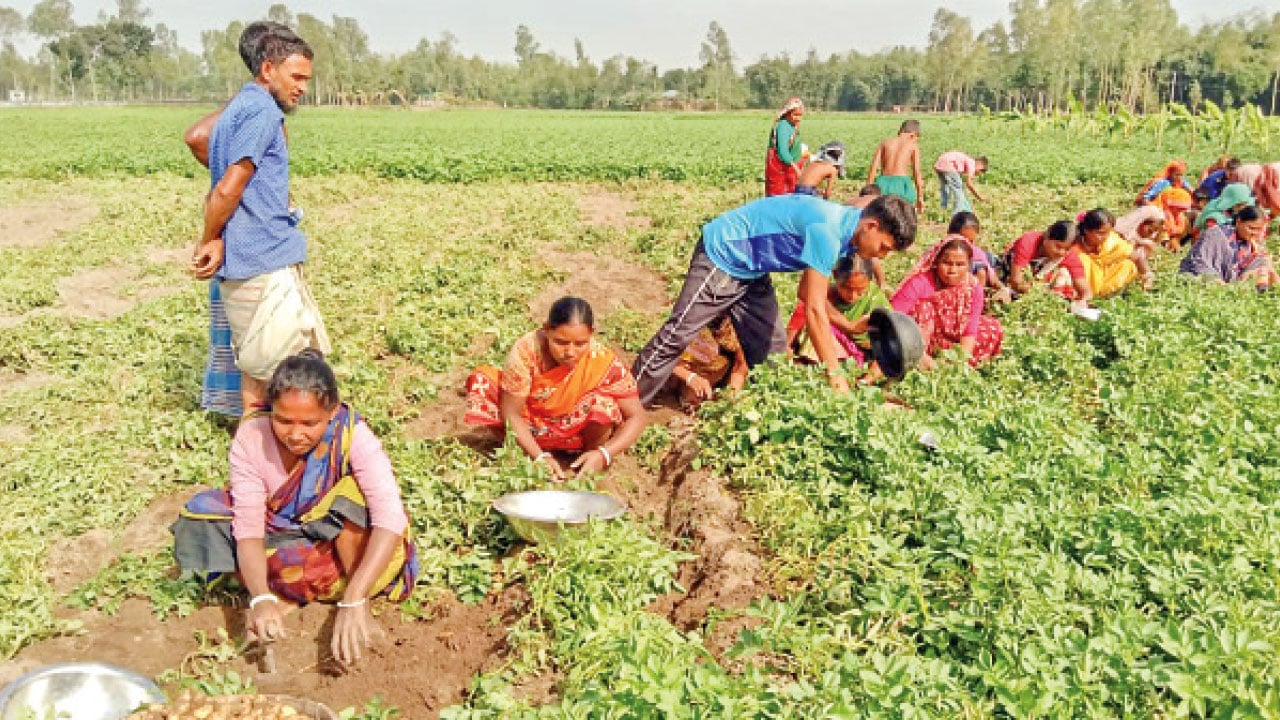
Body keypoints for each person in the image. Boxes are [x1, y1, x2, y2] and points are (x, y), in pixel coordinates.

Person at [172, 350, 419, 668]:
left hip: (342, 549)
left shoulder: (351, 434)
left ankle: (353, 597)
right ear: (269, 409)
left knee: (353, 495)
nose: (295, 434)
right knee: (207, 515)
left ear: (331, 414)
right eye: (283, 420)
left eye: (310, 423)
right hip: (288, 542)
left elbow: (389, 516)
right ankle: (280, 597)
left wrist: (356, 598)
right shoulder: (252, 436)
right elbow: (249, 527)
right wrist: (259, 597)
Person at [631, 194, 917, 403]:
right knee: (677, 337)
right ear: (871, 225)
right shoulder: (828, 231)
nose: (882, 256)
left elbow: (805, 293)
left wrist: (849, 326)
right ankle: (624, 403)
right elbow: (814, 309)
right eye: (884, 247)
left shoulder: (847, 233)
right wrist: (834, 373)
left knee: (773, 356)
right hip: (725, 255)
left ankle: (767, 417)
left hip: (754, 270)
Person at [192, 25, 331, 414]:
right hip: (265, 260)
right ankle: (266, 457)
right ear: (268, 69)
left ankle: (258, 455)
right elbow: (228, 189)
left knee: (262, 369)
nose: (302, 87)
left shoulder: (237, 108)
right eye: (297, 77)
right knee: (280, 372)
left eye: (307, 78)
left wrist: (219, 237)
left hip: (253, 258)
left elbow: (203, 148)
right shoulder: (262, 112)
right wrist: (208, 237)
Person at [184, 21, 288, 419]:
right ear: (267, 66)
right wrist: (245, 188)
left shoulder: (249, 107)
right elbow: (197, 138)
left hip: (240, 233)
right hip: (253, 239)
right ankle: (260, 424)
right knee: (264, 333)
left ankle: (248, 418)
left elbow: (199, 137)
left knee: (243, 326)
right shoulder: (257, 109)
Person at [464, 297, 647, 479]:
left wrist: (604, 454)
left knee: (604, 405)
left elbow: (636, 416)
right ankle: (525, 450)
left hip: (575, 432)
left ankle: (585, 461)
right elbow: (511, 413)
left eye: (580, 344)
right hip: (529, 425)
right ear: (546, 329)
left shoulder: (601, 359)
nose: (570, 352)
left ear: (592, 334)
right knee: (484, 382)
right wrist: (539, 456)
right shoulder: (526, 351)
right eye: (560, 342)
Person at [889, 235, 1004, 369]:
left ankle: (952, 365)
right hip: (918, 342)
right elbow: (892, 318)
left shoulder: (973, 287)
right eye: (947, 263)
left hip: (952, 343)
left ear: (969, 265)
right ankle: (916, 360)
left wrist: (960, 362)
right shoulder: (920, 282)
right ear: (937, 262)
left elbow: (969, 331)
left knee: (992, 328)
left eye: (960, 264)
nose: (952, 271)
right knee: (923, 308)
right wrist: (919, 355)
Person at [786, 255, 889, 365]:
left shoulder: (875, 298)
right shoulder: (826, 295)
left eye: (860, 290)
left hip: (861, 354)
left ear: (869, 281)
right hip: (828, 350)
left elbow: (890, 336)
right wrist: (787, 345)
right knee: (817, 322)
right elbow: (800, 316)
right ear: (835, 276)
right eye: (846, 288)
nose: (852, 296)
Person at [1181, 206, 1277, 289]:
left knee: (1263, 264)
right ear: (1238, 222)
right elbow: (1200, 262)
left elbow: (1263, 265)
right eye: (1251, 228)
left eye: (1258, 229)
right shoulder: (1216, 233)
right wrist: (1218, 282)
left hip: (1231, 283)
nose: (1254, 233)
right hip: (1201, 277)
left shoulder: (1250, 242)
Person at [666, 315, 748, 412]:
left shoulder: (737, 327)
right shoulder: (686, 321)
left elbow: (740, 366)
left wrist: (732, 396)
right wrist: (689, 377)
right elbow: (662, 357)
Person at [1003, 220, 1093, 305]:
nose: (1061, 252)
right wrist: (1044, 294)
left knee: (1064, 273)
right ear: (1046, 238)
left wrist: (1083, 301)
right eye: (1058, 246)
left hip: (1037, 289)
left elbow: (1086, 291)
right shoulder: (1029, 242)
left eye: (1067, 249)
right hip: (1009, 275)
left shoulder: (1068, 255)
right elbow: (1016, 281)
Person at [1076, 208, 1154, 296]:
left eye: (1107, 233)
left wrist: (1148, 275)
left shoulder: (1111, 240)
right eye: (1100, 233)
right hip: (1081, 281)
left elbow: (1137, 258)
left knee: (1128, 265)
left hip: (1103, 277)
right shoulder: (1074, 243)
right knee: (1082, 260)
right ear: (1086, 230)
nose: (1104, 237)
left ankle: (1102, 292)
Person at [948, 211, 1010, 302]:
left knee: (982, 269)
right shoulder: (942, 252)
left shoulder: (976, 253)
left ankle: (977, 300)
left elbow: (992, 278)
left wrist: (1004, 289)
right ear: (950, 236)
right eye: (963, 240)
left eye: (971, 241)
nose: (967, 245)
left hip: (981, 271)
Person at [866, 120, 925, 212]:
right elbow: (917, 172)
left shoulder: (885, 143)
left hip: (883, 183)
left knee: (881, 214)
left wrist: (868, 190)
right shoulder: (913, 146)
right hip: (902, 184)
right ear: (913, 135)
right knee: (904, 215)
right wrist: (920, 197)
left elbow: (873, 167)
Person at [764, 97, 804, 196]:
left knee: (791, 193)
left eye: (800, 115)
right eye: (795, 115)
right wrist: (796, 169)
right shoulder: (783, 126)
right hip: (780, 168)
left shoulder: (792, 125)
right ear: (787, 113)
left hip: (789, 166)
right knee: (779, 194)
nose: (798, 118)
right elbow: (782, 151)